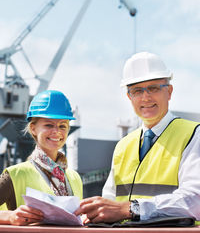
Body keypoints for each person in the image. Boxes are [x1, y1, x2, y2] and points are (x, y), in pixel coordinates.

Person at [75, 51, 200, 224]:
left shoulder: (194, 135)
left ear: (169, 91)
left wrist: (132, 209)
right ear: (129, 97)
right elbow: (110, 200)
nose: (145, 97)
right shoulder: (123, 145)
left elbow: (195, 201)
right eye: (137, 90)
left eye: (154, 88)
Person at [0, 90, 83, 226]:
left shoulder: (74, 178)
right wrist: (9, 216)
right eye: (48, 125)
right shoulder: (15, 174)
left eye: (62, 126)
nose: (56, 131)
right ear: (33, 128)